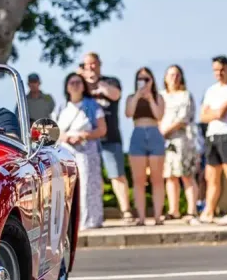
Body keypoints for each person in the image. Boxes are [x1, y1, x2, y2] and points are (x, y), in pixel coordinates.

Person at [78, 53, 130, 222]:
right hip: (88, 140)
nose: (90, 67)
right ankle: (96, 212)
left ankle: (126, 211)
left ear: (99, 64)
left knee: (117, 175)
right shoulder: (81, 85)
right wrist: (81, 79)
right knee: (93, 178)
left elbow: (115, 95)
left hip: (110, 137)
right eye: (87, 64)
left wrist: (96, 81)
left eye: (93, 63)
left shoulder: (111, 81)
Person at [56, 72, 107, 229]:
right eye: (72, 82)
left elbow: (102, 129)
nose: (75, 85)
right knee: (65, 186)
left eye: (78, 82)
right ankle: (67, 223)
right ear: (66, 87)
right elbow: (53, 131)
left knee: (87, 185)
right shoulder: (61, 107)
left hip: (87, 150)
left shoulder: (92, 105)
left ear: (84, 86)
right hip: (65, 151)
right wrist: (65, 137)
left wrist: (84, 135)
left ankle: (89, 220)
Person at [198, 55, 227, 225]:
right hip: (212, 135)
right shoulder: (211, 90)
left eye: (221, 69)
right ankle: (209, 212)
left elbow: (221, 113)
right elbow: (203, 116)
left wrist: (214, 113)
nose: (219, 73)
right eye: (216, 70)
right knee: (212, 176)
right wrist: (214, 113)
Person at [125, 67, 166, 225]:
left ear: (152, 80)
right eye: (140, 79)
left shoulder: (158, 97)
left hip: (154, 133)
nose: (144, 82)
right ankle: (141, 217)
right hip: (138, 134)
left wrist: (150, 99)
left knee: (157, 178)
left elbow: (159, 115)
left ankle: (157, 216)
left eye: (147, 79)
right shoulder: (131, 97)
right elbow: (129, 113)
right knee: (139, 180)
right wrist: (138, 95)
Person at [159, 65, 201, 221]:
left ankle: (192, 210)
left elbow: (184, 118)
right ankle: (173, 210)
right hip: (164, 141)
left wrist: (166, 131)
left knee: (186, 174)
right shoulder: (161, 96)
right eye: (171, 75)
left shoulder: (185, 95)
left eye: (177, 75)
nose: (174, 78)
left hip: (182, 140)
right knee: (170, 175)